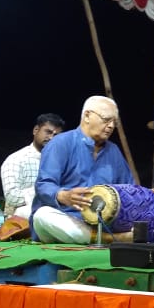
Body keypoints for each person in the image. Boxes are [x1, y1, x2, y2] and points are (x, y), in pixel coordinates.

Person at [30, 96, 134, 244]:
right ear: (87, 116)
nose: (111, 126)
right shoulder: (61, 143)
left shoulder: (113, 151)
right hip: (63, 219)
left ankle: (99, 236)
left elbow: (129, 189)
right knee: (43, 215)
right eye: (106, 119)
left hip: (101, 224)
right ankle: (110, 239)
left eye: (114, 122)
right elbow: (44, 185)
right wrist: (63, 195)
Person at [0, 113, 65, 219]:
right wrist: (44, 189)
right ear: (35, 130)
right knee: (43, 212)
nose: (52, 138)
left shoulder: (62, 161)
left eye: (56, 135)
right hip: (20, 220)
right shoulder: (16, 159)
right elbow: (12, 197)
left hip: (55, 213)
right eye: (48, 132)